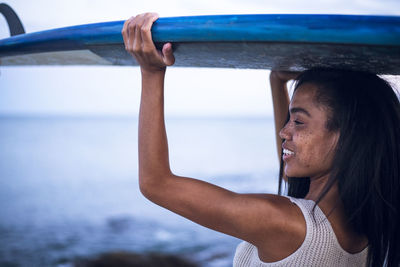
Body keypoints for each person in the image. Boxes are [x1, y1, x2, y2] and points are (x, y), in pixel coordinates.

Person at [122, 13, 400, 267]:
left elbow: (156, 183)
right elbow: (297, 181)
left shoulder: (284, 223)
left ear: (348, 138)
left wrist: (152, 72)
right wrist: (277, 82)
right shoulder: (363, 231)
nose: (284, 131)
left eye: (298, 122)